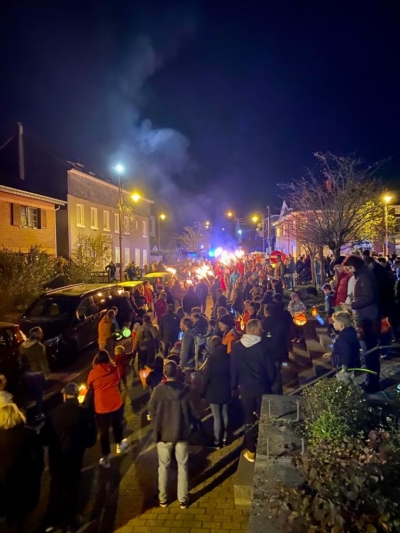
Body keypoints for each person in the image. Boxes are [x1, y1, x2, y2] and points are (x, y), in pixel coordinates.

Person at [40, 382, 93, 532]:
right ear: (77, 396)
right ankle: (70, 522)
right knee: (72, 488)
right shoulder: (83, 413)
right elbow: (90, 439)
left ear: (64, 395)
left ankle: (52, 521)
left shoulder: (53, 413)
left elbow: (43, 438)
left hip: (56, 459)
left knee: (56, 487)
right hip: (75, 458)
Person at [149, 360, 193, 509]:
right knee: (183, 466)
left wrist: (157, 423)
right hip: (181, 433)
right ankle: (183, 499)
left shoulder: (158, 391)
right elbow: (193, 411)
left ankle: (163, 499)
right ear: (177, 373)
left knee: (163, 467)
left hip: (163, 434)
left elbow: (152, 411)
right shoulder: (185, 390)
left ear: (164, 374)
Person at [231, 319, 276, 463]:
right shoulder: (264, 347)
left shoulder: (237, 346)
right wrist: (271, 382)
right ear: (253, 330)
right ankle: (264, 445)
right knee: (263, 417)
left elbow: (233, 368)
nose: (262, 331)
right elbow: (271, 370)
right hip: (262, 387)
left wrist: (234, 385)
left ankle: (251, 451)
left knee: (249, 419)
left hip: (246, 388)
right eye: (260, 329)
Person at [0, 403, 44, 530]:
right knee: (20, 516)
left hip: (4, 483)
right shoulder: (29, 434)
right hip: (24, 482)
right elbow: (38, 459)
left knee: (9, 513)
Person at [343, 255, 380, 392]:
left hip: (367, 319)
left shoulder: (363, 276)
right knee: (368, 353)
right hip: (367, 317)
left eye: (349, 267)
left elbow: (368, 297)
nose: (348, 270)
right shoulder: (363, 274)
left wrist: (352, 305)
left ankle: (373, 383)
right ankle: (370, 380)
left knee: (369, 352)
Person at [87, 351, 128, 468]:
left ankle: (106, 458)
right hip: (115, 402)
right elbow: (117, 381)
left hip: (101, 406)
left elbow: (89, 384)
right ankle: (119, 444)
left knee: (103, 432)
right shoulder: (114, 369)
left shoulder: (93, 373)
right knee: (117, 425)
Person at [201, 336, 231, 448]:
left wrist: (202, 392)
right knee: (225, 414)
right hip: (226, 389)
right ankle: (225, 438)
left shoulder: (211, 359)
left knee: (217, 417)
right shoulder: (228, 357)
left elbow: (205, 378)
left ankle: (217, 441)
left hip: (213, 392)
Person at [19, 326, 50, 421]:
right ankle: (39, 413)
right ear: (36, 335)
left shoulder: (22, 346)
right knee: (39, 395)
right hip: (37, 374)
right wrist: (47, 373)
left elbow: (20, 361)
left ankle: (23, 413)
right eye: (40, 333)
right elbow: (42, 361)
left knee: (30, 395)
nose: (42, 334)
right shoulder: (39, 346)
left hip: (27, 374)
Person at [261, 304, 287, 394]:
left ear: (265, 312)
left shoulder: (263, 324)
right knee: (277, 372)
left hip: (267, 353)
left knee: (269, 371)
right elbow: (285, 337)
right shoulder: (280, 322)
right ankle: (278, 392)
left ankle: (271, 392)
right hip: (278, 352)